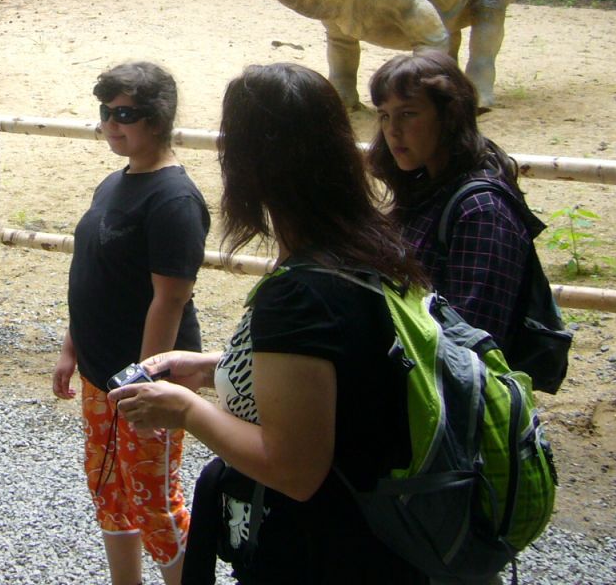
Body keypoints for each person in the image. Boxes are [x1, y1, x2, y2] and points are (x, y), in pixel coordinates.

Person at [109, 63, 428, 584]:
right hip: (384, 538)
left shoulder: (300, 293)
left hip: (323, 552)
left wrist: (187, 410)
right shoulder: (371, 248)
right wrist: (212, 368)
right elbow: (333, 372)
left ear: (250, 165)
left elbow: (294, 470)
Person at [52, 61, 209, 585]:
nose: (110, 124)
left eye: (124, 114)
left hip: (144, 381)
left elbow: (170, 299)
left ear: (157, 119)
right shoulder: (113, 184)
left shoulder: (175, 200)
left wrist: (146, 381)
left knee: (154, 503)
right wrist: (71, 348)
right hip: (101, 374)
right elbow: (93, 275)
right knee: (109, 490)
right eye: (105, 112)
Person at [367, 49, 537, 349]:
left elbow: (474, 341)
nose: (392, 131)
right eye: (385, 116)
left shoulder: (482, 211)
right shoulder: (426, 187)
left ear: (450, 116)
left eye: (408, 114)